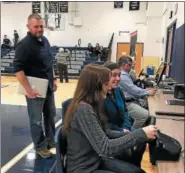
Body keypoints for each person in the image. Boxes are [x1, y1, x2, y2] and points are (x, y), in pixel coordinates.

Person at [64, 63, 158, 173]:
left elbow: (103, 133)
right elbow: (105, 148)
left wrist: (127, 134)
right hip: (84, 169)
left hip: (95, 161)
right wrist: (140, 134)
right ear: (94, 86)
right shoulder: (83, 109)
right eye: (105, 84)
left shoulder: (92, 104)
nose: (109, 87)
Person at [13, 13, 57, 158]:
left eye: (41, 26)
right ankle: (40, 147)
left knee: (51, 116)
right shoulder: (23, 45)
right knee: (36, 120)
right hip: (35, 89)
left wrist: (54, 79)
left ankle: (51, 141)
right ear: (28, 27)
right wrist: (28, 90)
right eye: (36, 27)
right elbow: (18, 70)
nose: (39, 29)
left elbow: (49, 62)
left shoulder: (44, 40)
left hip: (48, 86)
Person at [103, 62, 150, 131]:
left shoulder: (118, 90)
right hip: (114, 133)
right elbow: (106, 125)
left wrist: (126, 127)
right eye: (114, 75)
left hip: (124, 129)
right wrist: (123, 131)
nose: (118, 78)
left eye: (119, 75)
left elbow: (125, 112)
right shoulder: (101, 95)